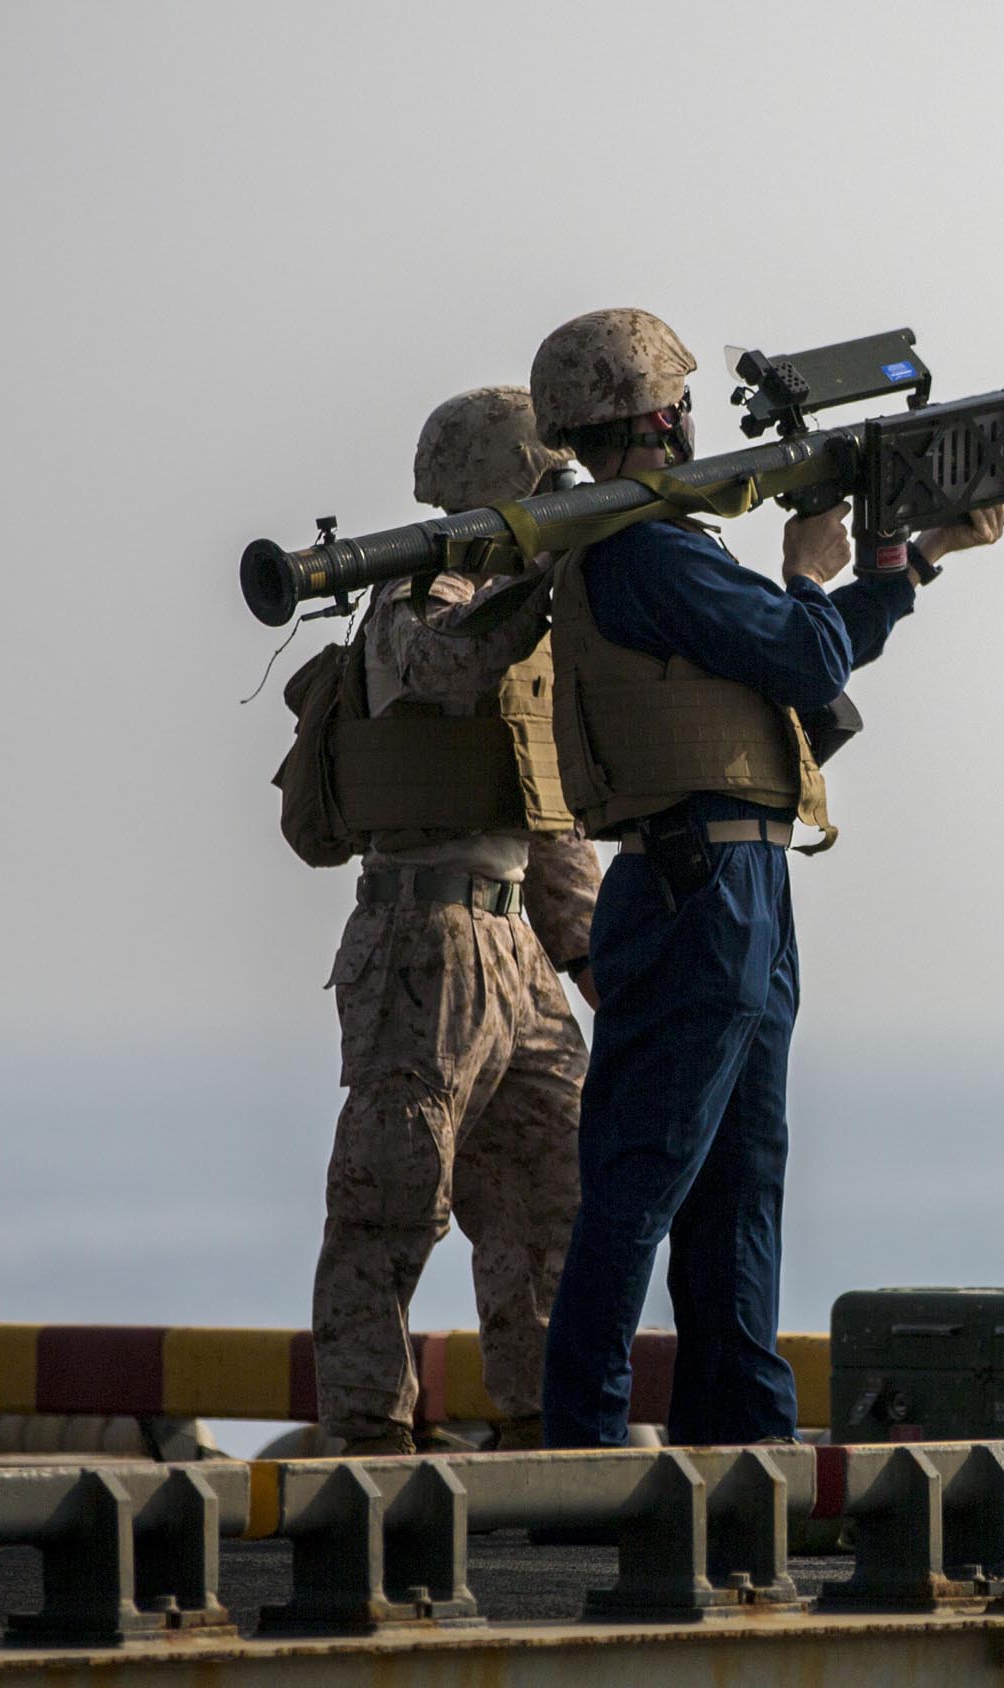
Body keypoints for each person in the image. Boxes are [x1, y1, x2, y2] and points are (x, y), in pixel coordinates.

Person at [528, 307, 1004, 1446]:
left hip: (729, 884)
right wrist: (810, 566)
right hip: (705, 890)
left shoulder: (647, 549)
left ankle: (738, 1439)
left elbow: (800, 659)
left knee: (739, 1185)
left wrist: (912, 557)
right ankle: (581, 1449)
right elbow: (803, 648)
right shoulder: (647, 549)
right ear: (660, 414)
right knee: (644, 1180)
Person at [309, 386, 601, 1455]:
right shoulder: (412, 597)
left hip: (513, 939)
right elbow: (451, 666)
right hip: (422, 938)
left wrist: (593, 960)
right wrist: (543, 580)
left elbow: (547, 813)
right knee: (392, 1195)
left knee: (551, 1187)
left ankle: (538, 1415)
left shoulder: (525, 608)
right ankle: (369, 1434)